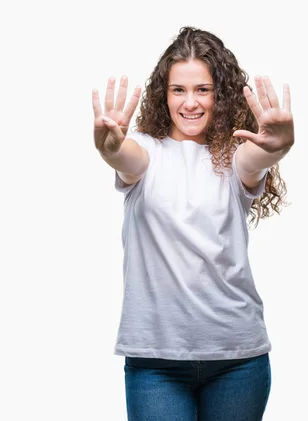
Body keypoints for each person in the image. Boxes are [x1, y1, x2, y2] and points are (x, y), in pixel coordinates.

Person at [91, 26, 294, 421]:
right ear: (163, 95)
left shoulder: (236, 157)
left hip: (238, 361)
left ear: (221, 93)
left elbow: (256, 160)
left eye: (202, 89)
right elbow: (125, 157)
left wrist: (279, 148)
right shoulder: (147, 154)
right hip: (156, 364)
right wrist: (110, 147)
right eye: (178, 90)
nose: (190, 103)